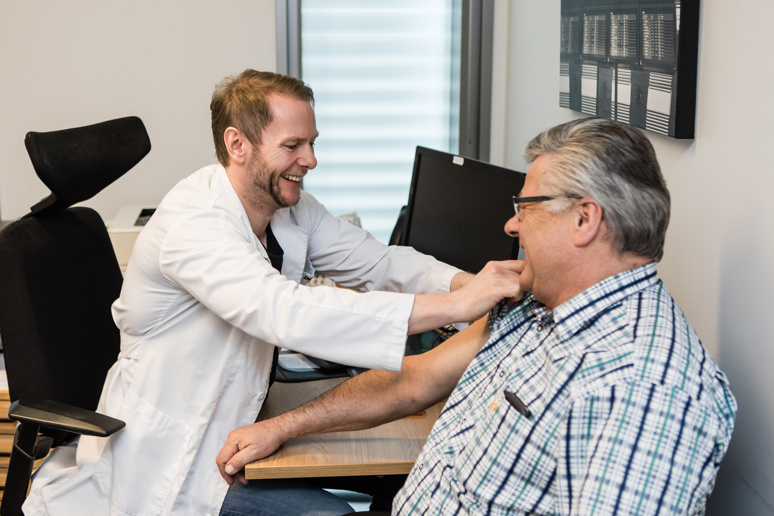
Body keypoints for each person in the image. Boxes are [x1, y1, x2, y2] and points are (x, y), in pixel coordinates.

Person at [22, 70, 523, 516]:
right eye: (293, 146)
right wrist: (457, 308)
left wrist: (473, 284)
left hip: (240, 422)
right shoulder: (195, 225)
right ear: (237, 145)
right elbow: (285, 311)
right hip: (180, 456)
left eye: (312, 142)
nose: (311, 159)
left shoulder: (291, 207)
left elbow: (379, 263)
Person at [218, 117, 737, 515]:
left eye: (526, 206)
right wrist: (284, 426)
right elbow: (413, 382)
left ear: (584, 219)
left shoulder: (642, 386)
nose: (511, 225)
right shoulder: (535, 306)